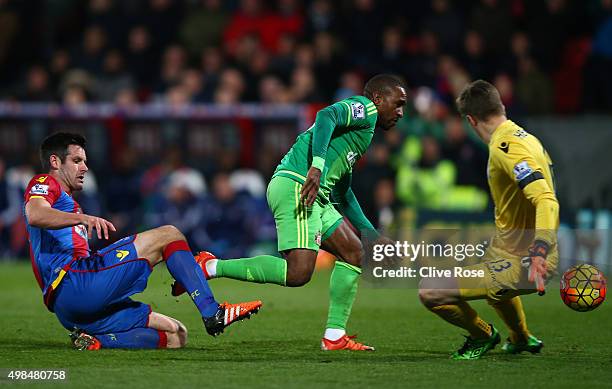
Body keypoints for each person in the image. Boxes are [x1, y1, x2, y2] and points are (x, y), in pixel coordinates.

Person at [172, 74, 407, 351]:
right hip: (297, 183)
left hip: (315, 192)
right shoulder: (365, 109)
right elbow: (326, 115)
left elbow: (342, 191)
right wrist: (316, 166)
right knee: (298, 273)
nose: (401, 112)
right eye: (398, 103)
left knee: (353, 252)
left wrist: (371, 235)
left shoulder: (363, 134)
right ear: (378, 99)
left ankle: (334, 336)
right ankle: (210, 266)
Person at [24, 132, 262, 351]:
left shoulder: (68, 204)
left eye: (85, 161)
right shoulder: (45, 182)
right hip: (75, 284)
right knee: (169, 234)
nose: (85, 167)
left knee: (177, 336)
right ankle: (212, 311)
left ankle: (96, 341)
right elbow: (35, 214)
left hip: (73, 311)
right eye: (77, 161)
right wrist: (83, 218)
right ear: (55, 162)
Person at [418, 80, 559, 360]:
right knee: (496, 293)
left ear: (470, 120)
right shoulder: (528, 138)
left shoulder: (505, 148)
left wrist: (540, 248)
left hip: (526, 258)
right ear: (501, 106)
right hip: (508, 248)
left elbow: (545, 199)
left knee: (431, 290)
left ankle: (482, 335)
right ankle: (520, 338)